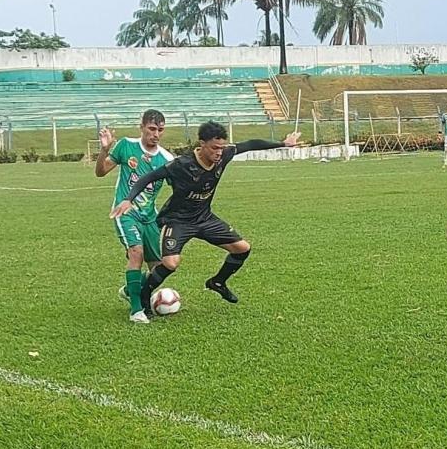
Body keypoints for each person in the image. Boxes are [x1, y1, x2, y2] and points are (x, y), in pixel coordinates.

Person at [112, 121, 301, 311]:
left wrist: (283, 143)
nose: (219, 152)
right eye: (214, 148)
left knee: (242, 248)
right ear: (201, 144)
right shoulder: (182, 164)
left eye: (221, 148)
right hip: (178, 220)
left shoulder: (223, 154)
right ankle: (143, 297)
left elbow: (250, 144)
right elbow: (149, 177)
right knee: (170, 263)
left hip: (204, 218)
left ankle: (217, 282)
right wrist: (129, 199)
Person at [95, 110, 173, 323]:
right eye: (152, 129)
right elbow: (100, 171)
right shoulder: (126, 146)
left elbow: (178, 190)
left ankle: (132, 290)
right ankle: (136, 311)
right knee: (135, 252)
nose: (156, 134)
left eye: (160, 130)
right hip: (125, 212)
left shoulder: (167, 159)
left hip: (150, 217)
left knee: (159, 267)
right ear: (142, 127)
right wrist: (104, 149)